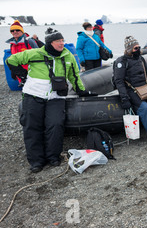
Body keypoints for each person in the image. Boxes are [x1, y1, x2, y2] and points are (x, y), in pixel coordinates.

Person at [6, 28, 95, 173]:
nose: (62, 43)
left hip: (55, 97)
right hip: (33, 95)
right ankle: (36, 161)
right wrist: (22, 75)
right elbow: (11, 60)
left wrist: (82, 91)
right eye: (58, 41)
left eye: (62, 40)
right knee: (32, 127)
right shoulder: (35, 53)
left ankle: (53, 156)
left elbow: (74, 76)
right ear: (49, 43)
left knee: (55, 124)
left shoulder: (68, 56)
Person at [5, 20, 39, 85]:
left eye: (17, 30)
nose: (15, 32)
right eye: (12, 30)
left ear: (22, 31)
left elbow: (39, 55)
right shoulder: (12, 45)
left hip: (32, 73)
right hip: (22, 77)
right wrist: (13, 71)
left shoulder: (29, 41)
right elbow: (13, 59)